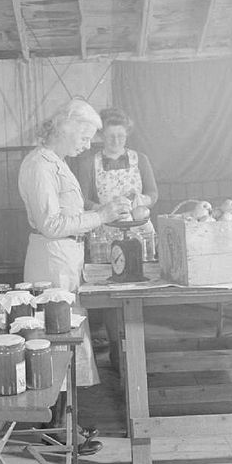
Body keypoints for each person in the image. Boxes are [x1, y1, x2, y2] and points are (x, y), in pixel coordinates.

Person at [18, 97, 125, 456]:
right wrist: (102, 216)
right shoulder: (39, 165)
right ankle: (57, 426)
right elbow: (51, 224)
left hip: (64, 257)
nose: (88, 143)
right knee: (57, 344)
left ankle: (64, 420)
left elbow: (66, 211)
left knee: (66, 342)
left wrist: (96, 209)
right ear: (67, 127)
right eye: (86, 135)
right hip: (52, 262)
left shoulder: (56, 163)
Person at [72, 107, 159, 368]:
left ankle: (136, 346)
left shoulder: (140, 158)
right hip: (105, 231)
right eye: (110, 136)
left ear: (127, 135)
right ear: (101, 136)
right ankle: (114, 346)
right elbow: (82, 199)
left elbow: (154, 193)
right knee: (111, 290)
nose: (116, 141)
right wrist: (104, 209)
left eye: (121, 136)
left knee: (139, 285)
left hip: (139, 228)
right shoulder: (90, 162)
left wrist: (141, 200)